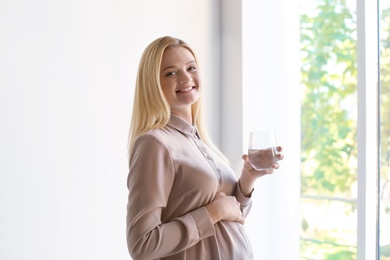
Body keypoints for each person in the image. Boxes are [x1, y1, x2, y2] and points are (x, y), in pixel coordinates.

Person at [126, 36, 284, 260]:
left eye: (191, 68)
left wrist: (247, 181)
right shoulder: (154, 143)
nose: (185, 78)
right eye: (171, 73)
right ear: (153, 84)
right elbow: (142, 245)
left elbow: (233, 217)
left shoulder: (200, 142)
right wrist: (213, 212)